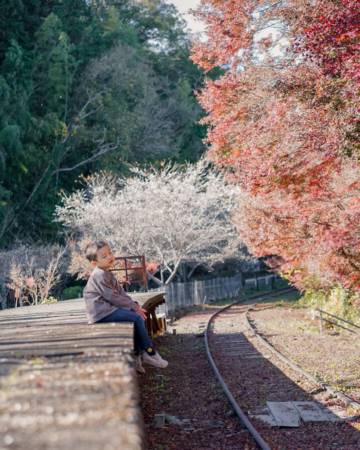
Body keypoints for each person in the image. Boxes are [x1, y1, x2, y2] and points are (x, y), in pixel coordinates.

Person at [83, 240, 168, 373]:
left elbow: (121, 293)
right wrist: (133, 308)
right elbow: (112, 297)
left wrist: (134, 305)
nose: (110, 257)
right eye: (104, 256)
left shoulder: (107, 273)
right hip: (101, 313)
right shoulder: (98, 275)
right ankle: (150, 352)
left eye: (110, 253)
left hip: (109, 309)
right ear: (94, 263)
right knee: (136, 318)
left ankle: (137, 357)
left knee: (136, 317)